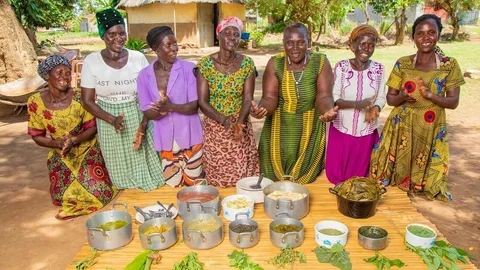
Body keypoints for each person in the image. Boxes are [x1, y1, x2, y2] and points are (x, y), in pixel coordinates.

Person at [370, 14, 465, 201]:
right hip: (402, 124)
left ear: (438, 34)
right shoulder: (403, 63)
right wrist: (403, 96)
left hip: (430, 125)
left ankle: (421, 183)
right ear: (413, 37)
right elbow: (390, 99)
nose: (426, 37)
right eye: (420, 33)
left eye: (431, 32)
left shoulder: (449, 65)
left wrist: (430, 95)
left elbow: (453, 102)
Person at [81, 8, 164, 191]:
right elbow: (87, 100)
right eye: (111, 34)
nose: (118, 38)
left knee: (143, 159)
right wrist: (112, 119)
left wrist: (143, 124)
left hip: (138, 112)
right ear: (103, 36)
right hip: (106, 116)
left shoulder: (138, 58)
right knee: (119, 164)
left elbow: (149, 94)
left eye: (121, 33)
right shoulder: (92, 61)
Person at [27, 54, 117, 220]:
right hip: (60, 151)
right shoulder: (35, 101)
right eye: (59, 73)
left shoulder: (79, 96)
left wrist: (74, 140)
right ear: (47, 75)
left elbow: (92, 127)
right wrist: (57, 143)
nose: (65, 77)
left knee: (97, 193)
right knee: (61, 196)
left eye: (68, 73)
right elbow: (37, 135)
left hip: (86, 148)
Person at [251, 23, 338, 184]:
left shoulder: (320, 62)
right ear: (283, 43)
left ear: (308, 42)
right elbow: (269, 97)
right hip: (280, 127)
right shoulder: (275, 63)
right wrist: (261, 109)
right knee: (274, 178)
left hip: (310, 127)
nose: (295, 47)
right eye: (289, 42)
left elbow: (324, 96)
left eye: (301, 42)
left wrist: (327, 111)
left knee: (305, 181)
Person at [137, 26, 204, 187]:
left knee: (194, 185)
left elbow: (195, 105)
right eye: (169, 45)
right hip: (165, 141)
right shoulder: (144, 75)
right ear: (155, 49)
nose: (175, 48)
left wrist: (170, 106)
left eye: (175, 44)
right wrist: (163, 109)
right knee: (173, 184)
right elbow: (147, 111)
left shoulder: (189, 69)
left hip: (191, 137)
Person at [197, 16, 259, 187]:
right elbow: (202, 102)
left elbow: (248, 98)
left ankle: (244, 204)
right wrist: (223, 120)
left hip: (241, 123)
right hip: (215, 126)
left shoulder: (247, 63)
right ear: (219, 35)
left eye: (236, 35)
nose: (232, 38)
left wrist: (239, 124)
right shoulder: (205, 65)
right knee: (218, 171)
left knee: (242, 171)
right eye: (228, 33)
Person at [326, 25, 386, 185]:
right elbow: (335, 97)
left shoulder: (379, 69)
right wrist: (357, 104)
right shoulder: (342, 67)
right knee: (337, 178)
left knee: (360, 179)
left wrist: (376, 108)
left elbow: (381, 97)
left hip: (366, 129)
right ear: (352, 45)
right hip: (342, 129)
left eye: (371, 45)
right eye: (362, 44)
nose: (367, 49)